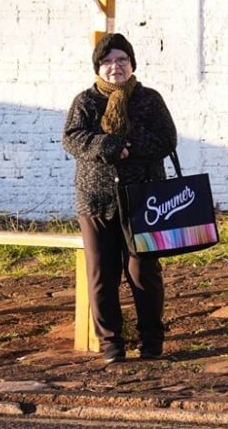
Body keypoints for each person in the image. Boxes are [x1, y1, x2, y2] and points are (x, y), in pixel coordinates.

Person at [62, 33, 177, 363]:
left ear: (132, 64)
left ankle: (152, 341)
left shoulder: (149, 99)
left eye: (122, 60)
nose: (116, 67)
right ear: (98, 67)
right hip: (96, 200)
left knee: (143, 272)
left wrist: (127, 146)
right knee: (102, 274)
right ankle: (112, 344)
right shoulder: (85, 102)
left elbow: (166, 139)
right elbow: (72, 139)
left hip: (144, 200)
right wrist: (108, 146)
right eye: (108, 61)